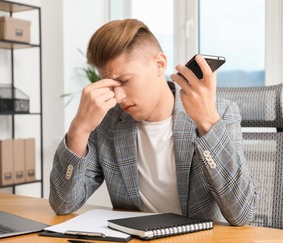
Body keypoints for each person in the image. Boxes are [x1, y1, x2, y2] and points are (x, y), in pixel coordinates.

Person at [49, 19, 257, 226]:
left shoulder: (220, 113)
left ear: (159, 65)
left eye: (124, 81)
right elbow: (63, 204)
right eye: (111, 85)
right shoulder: (108, 122)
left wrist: (207, 123)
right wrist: (79, 129)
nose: (118, 96)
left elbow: (242, 214)